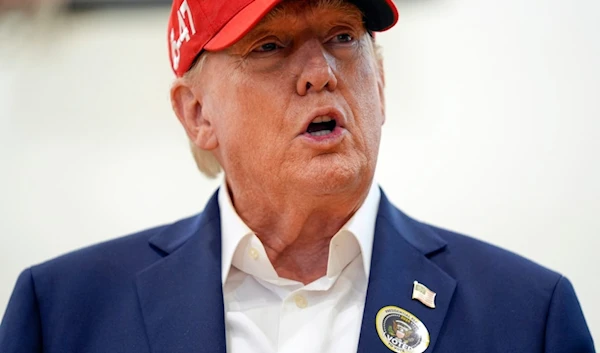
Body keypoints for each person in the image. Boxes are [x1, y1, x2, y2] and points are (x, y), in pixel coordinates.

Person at [0, 0, 595, 352]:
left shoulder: (527, 316)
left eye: (342, 36)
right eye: (270, 45)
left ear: (380, 86)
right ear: (198, 114)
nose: (319, 72)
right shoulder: (62, 315)